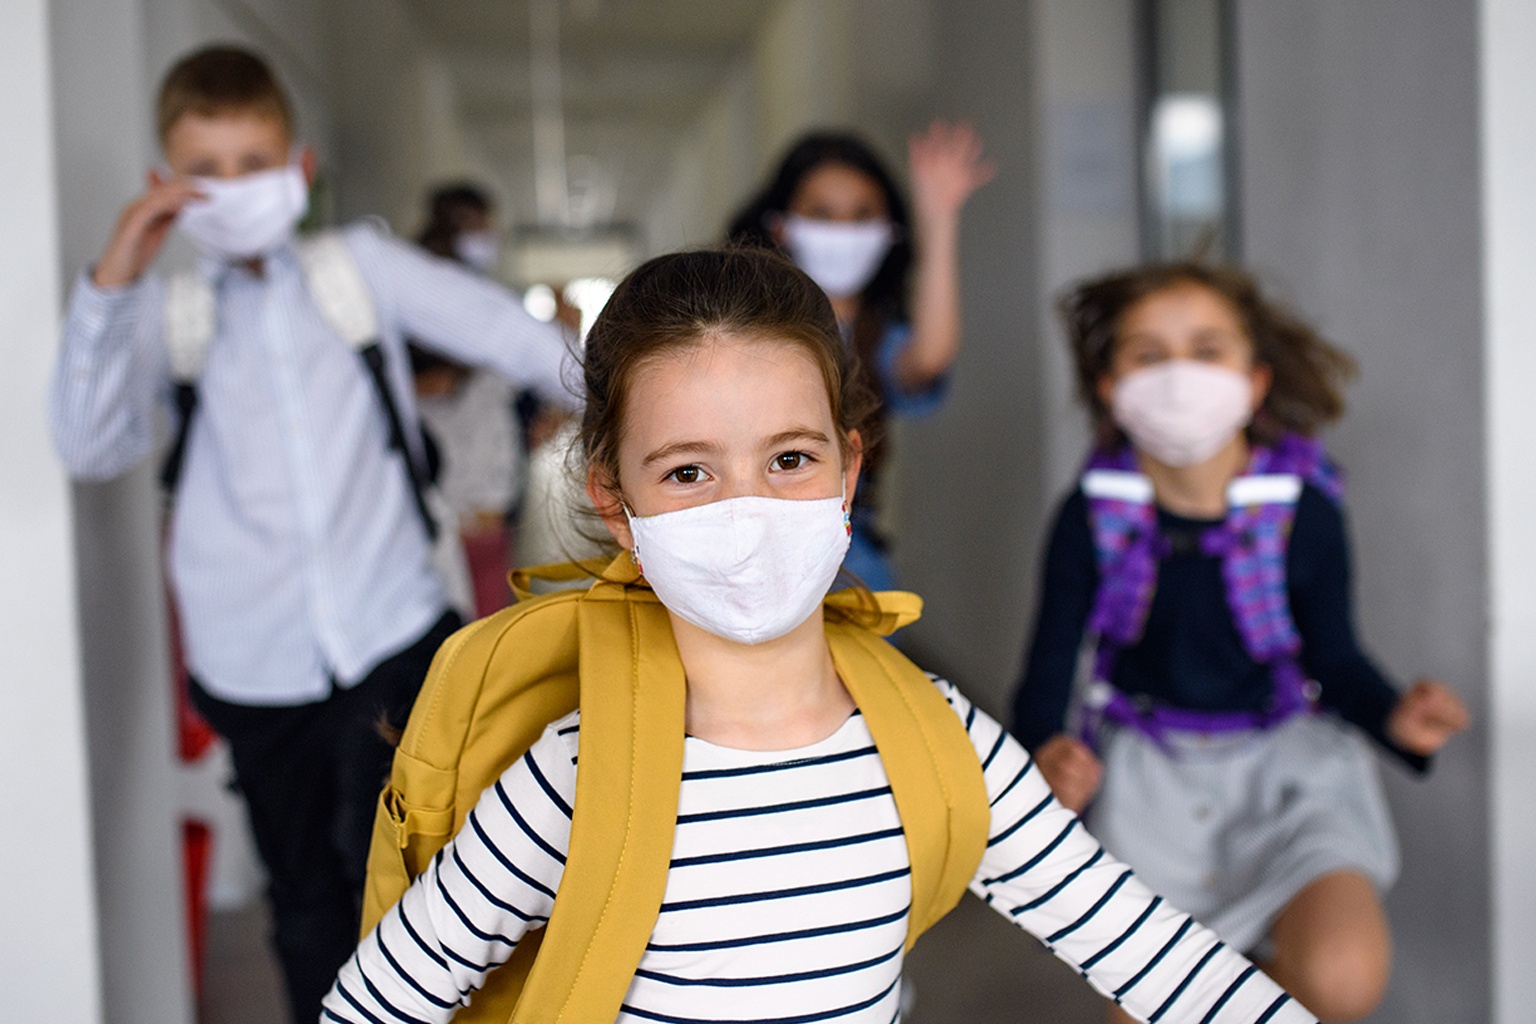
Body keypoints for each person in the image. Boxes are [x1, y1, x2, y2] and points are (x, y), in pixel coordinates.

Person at [321, 248, 1317, 1024]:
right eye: (688, 472)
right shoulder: (576, 775)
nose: (746, 507)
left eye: (787, 457)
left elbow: (1158, 957)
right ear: (615, 504)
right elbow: (377, 1000)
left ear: (847, 471)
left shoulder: (936, 740)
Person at [48, 45, 571, 1024]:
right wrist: (117, 268)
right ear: (168, 186)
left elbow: (509, 334)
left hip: (391, 628)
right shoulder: (171, 316)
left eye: (255, 163)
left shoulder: (356, 273)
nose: (234, 188)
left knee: (412, 869)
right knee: (304, 898)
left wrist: (645, 405)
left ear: (300, 168)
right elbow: (86, 440)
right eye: (206, 171)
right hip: (255, 662)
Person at [1010, 262, 1470, 1022]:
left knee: (1343, 975)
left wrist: (1394, 716)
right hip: (1150, 790)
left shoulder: (1304, 514)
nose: (1179, 377)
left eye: (1207, 349)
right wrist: (1042, 755)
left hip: (1287, 776)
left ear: (1255, 383)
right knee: (1160, 1006)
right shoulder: (1090, 516)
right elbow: (1049, 670)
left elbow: (1336, 659)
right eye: (1148, 354)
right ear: (1107, 384)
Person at [727, 124, 993, 590]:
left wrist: (938, 220)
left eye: (862, 214)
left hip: (852, 565)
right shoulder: (739, 326)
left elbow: (928, 358)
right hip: (744, 557)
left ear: (889, 232)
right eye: (822, 213)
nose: (843, 231)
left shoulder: (876, 337)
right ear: (780, 225)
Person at [410, 182, 526, 616]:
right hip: (453, 505)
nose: (489, 236)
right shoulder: (422, 298)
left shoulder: (485, 303)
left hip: (483, 507)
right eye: (479, 226)